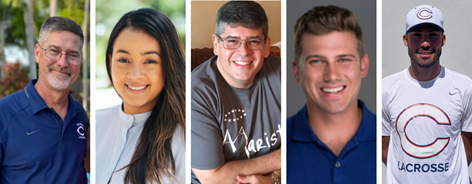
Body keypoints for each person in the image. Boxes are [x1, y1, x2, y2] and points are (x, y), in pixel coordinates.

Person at [191, 1, 281, 184]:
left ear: (266, 46)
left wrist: (274, 178)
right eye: (232, 41)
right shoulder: (196, 94)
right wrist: (281, 159)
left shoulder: (283, 75)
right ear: (216, 44)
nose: (243, 52)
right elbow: (212, 177)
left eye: (253, 41)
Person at [382, 4, 472, 184]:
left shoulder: (465, 87)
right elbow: (385, 148)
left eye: (432, 35)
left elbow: (467, 147)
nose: (425, 43)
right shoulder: (386, 88)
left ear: (443, 39)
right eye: (417, 35)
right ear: (406, 40)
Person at [287, 5, 376, 183]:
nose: (332, 75)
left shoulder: (390, 144)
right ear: (297, 71)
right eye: (317, 61)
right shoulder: (278, 145)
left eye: (343, 60)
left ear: (363, 66)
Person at [96, 8, 186, 184]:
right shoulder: (95, 124)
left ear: (169, 65)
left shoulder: (184, 137)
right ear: (110, 61)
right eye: (123, 60)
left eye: (150, 61)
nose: (135, 74)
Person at [0, 17, 88, 183]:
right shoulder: (4, 114)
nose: (63, 63)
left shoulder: (79, 115)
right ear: (38, 53)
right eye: (54, 51)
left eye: (72, 55)